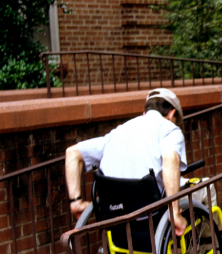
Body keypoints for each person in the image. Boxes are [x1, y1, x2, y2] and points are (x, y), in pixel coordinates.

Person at [65, 88, 188, 236]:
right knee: (205, 189)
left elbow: (72, 153)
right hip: (151, 212)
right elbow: (170, 159)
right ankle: (207, 248)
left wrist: (76, 202)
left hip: (115, 213)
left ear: (145, 113)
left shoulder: (119, 132)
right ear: (171, 114)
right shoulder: (169, 129)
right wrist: (174, 212)